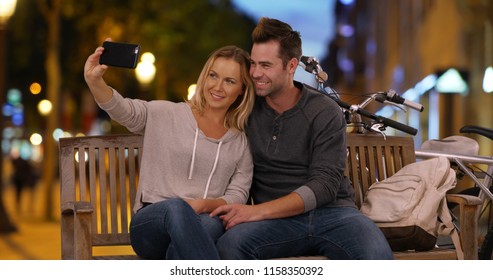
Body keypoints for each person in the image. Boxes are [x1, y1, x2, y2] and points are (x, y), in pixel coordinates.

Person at [211, 17, 394, 260]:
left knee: (375, 253)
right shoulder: (247, 108)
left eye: (266, 65)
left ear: (291, 66)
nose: (255, 73)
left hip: (335, 216)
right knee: (231, 245)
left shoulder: (323, 110)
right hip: (277, 224)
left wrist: (256, 212)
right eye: (253, 64)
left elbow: (325, 186)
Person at [84, 43, 255, 259]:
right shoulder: (167, 113)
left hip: (200, 224)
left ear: (242, 90)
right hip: (151, 226)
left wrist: (203, 204)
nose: (218, 87)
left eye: (229, 81)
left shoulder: (240, 142)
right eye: (213, 76)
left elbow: (238, 193)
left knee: (207, 227)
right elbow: (123, 110)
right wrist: (95, 81)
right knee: (178, 208)